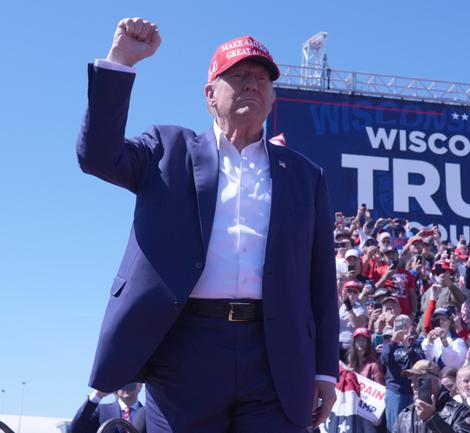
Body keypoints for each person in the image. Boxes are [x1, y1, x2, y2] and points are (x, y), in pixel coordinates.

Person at [77, 19, 339, 432]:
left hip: (276, 356)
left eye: (261, 79)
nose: (252, 85)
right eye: (238, 76)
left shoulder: (306, 176)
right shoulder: (169, 150)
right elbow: (97, 155)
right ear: (210, 95)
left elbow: (322, 282)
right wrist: (122, 62)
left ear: (272, 96)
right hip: (184, 351)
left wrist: (325, 371)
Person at [391, 360, 470, 433]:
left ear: (435, 382)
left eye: (419, 380)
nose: (413, 384)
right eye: (411, 380)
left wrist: (431, 418)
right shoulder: (406, 415)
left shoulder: (459, 412)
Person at [70, 383, 146, 433]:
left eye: (132, 382)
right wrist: (97, 395)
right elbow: (76, 429)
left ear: (140, 386)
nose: (126, 385)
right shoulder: (101, 411)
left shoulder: (148, 414)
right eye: (122, 382)